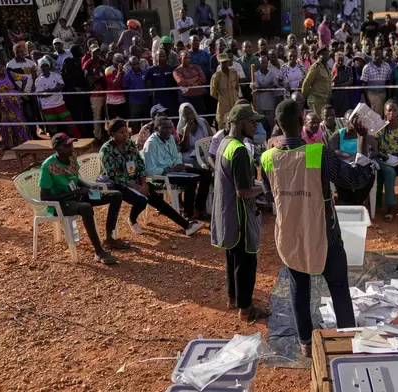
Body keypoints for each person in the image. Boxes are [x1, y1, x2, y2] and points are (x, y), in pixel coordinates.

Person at [261, 98, 375, 357]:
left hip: (289, 236)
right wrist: (362, 140)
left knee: (299, 291)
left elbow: (270, 196)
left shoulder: (267, 158)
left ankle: (306, 345)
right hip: (325, 235)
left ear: (278, 125)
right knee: (339, 290)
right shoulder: (317, 153)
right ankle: (347, 341)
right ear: (302, 121)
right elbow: (355, 179)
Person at [211, 104, 270, 321]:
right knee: (246, 260)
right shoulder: (239, 151)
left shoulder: (225, 144)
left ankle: (233, 297)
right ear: (237, 123)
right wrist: (265, 186)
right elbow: (244, 191)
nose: (256, 124)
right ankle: (246, 309)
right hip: (240, 216)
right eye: (251, 121)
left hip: (227, 213)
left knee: (233, 256)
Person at [99, 119, 204, 236]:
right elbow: (114, 177)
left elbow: (140, 165)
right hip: (118, 184)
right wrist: (138, 187)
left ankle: (186, 225)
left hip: (135, 181)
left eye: (126, 132)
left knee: (156, 200)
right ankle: (132, 220)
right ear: (112, 134)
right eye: (121, 133)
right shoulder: (107, 150)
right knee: (141, 200)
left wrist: (143, 184)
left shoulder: (129, 145)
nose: (125, 135)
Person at [40, 133, 129, 264]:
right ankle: (99, 251)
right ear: (57, 148)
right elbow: (45, 197)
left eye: (71, 144)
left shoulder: (71, 158)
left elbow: (76, 180)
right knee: (86, 208)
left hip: (78, 195)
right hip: (61, 203)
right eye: (67, 146)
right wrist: (74, 193)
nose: (71, 148)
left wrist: (90, 187)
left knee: (116, 195)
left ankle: (109, 237)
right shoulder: (48, 166)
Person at [142, 117, 204, 219]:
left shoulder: (170, 138)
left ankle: (198, 208)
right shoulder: (151, 144)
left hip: (174, 171)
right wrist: (169, 170)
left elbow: (176, 156)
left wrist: (178, 165)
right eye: (164, 128)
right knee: (191, 181)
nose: (168, 131)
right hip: (161, 176)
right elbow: (150, 169)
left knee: (205, 174)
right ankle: (188, 215)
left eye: (170, 127)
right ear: (157, 129)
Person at [328, 110, 378, 205]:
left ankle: (358, 201)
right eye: (350, 120)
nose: (353, 123)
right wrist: (350, 156)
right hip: (344, 166)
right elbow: (332, 150)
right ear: (345, 121)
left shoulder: (364, 134)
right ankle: (345, 199)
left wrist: (366, 156)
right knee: (342, 172)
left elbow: (375, 151)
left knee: (370, 173)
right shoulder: (338, 135)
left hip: (361, 166)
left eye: (355, 120)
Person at [34, 56, 81, 138]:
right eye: (42, 66)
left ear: (49, 66)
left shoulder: (56, 75)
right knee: (53, 128)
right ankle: (56, 143)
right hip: (47, 107)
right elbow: (41, 94)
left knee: (69, 123)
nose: (44, 67)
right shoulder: (38, 80)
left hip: (60, 104)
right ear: (40, 68)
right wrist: (54, 90)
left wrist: (48, 91)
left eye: (46, 65)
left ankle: (78, 138)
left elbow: (60, 87)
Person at [0, 60, 29, 150]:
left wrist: (21, 91)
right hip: (2, 106)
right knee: (5, 123)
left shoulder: (10, 74)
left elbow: (25, 78)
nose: (0, 69)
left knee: (17, 121)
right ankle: (10, 144)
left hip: (13, 103)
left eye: (2, 66)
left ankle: (22, 142)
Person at [7, 43, 40, 140]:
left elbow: (34, 74)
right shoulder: (10, 64)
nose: (20, 54)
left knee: (34, 113)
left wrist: (33, 87)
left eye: (22, 51)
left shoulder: (30, 62)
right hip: (20, 94)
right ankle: (30, 135)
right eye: (18, 52)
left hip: (31, 92)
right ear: (14, 53)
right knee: (27, 114)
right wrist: (20, 92)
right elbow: (11, 80)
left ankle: (34, 133)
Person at [121, 55, 150, 135]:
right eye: (134, 64)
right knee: (135, 123)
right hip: (134, 102)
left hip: (145, 100)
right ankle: (134, 140)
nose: (136, 65)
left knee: (146, 122)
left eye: (137, 63)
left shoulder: (145, 72)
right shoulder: (128, 75)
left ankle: (145, 138)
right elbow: (124, 86)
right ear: (130, 65)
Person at [210, 53, 240, 129]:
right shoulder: (216, 76)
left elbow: (237, 86)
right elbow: (213, 93)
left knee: (237, 125)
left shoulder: (234, 72)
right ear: (219, 63)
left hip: (234, 103)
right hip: (223, 106)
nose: (225, 64)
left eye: (226, 62)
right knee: (223, 126)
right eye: (222, 62)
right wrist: (222, 99)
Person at [361, 47, 392, 116]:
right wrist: (367, 99)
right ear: (371, 56)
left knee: (381, 115)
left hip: (382, 94)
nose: (377, 57)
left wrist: (388, 96)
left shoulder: (387, 66)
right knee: (371, 116)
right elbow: (364, 84)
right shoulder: (367, 67)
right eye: (375, 55)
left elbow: (388, 82)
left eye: (379, 55)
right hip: (371, 95)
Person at [301, 46, 331, 115]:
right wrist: (305, 98)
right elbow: (306, 84)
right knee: (317, 121)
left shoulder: (327, 67)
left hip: (324, 100)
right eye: (323, 54)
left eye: (327, 54)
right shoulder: (315, 67)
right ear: (318, 55)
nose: (326, 56)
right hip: (316, 101)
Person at [254, 55, 279, 131]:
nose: (264, 64)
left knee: (271, 123)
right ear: (259, 63)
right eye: (262, 63)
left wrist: (262, 87)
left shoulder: (271, 74)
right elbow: (257, 88)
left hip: (270, 103)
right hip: (260, 104)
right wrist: (268, 86)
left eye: (266, 62)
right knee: (261, 124)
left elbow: (274, 86)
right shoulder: (256, 74)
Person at [104, 53, 128, 120]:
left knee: (123, 122)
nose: (120, 63)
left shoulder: (124, 70)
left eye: (122, 61)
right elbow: (114, 85)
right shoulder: (108, 70)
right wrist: (119, 72)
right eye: (118, 61)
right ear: (113, 61)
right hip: (111, 101)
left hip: (122, 100)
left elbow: (125, 84)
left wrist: (122, 72)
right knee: (112, 123)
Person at [331, 51, 353, 117]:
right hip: (335, 95)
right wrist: (334, 71)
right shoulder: (333, 69)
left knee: (345, 113)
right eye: (338, 60)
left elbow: (350, 81)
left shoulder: (348, 69)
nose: (340, 62)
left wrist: (340, 85)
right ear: (335, 60)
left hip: (345, 94)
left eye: (342, 60)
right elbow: (331, 82)